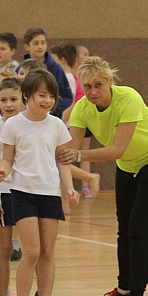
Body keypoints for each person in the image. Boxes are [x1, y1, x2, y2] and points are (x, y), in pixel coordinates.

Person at [65, 57, 148, 296]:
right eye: (87, 86)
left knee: (139, 229)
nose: (93, 91)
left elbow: (117, 149)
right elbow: (70, 147)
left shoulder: (128, 98)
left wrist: (78, 156)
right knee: (124, 229)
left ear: (110, 81)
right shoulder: (82, 108)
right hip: (128, 166)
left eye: (98, 85)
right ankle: (124, 290)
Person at [0, 70, 79, 296]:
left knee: (48, 252)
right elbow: (7, 159)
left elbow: (62, 161)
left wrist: (70, 188)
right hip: (23, 193)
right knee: (31, 251)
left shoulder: (56, 125)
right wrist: (2, 172)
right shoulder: (13, 125)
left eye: (51, 96)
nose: (48, 101)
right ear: (27, 96)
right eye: (42, 95)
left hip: (50, 193)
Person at [0, 78, 24, 296]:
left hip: (27, 192)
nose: (9, 104)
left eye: (13, 99)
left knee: (36, 248)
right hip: (2, 192)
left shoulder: (29, 126)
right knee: (3, 248)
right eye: (4, 100)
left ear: (24, 100)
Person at [52, 42, 101, 199]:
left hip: (70, 123)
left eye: (53, 61)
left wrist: (60, 121)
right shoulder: (72, 76)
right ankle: (66, 200)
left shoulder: (67, 77)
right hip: (73, 121)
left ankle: (87, 179)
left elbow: (72, 102)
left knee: (60, 158)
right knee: (63, 158)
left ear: (62, 60)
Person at [20, 27, 73, 118]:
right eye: (36, 43)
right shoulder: (20, 69)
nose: (40, 46)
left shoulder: (56, 68)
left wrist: (51, 109)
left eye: (43, 43)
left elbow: (67, 96)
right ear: (27, 47)